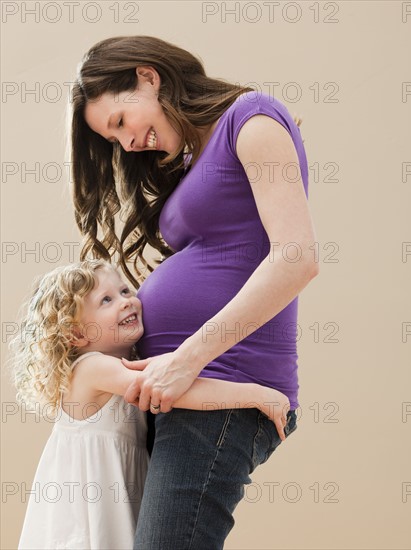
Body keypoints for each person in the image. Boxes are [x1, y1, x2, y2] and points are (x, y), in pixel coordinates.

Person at [71, 35, 319, 549]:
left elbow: (297, 258)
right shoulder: (198, 153)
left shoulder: (250, 118)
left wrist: (185, 359)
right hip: (184, 388)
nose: (128, 143)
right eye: (114, 140)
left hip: (221, 377)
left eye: (120, 123)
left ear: (147, 76)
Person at [9, 259, 291, 550]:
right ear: (76, 334)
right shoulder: (90, 368)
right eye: (106, 300)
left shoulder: (126, 366)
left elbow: (173, 380)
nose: (126, 302)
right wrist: (255, 394)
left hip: (118, 490)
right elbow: (176, 391)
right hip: (89, 502)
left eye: (125, 291)